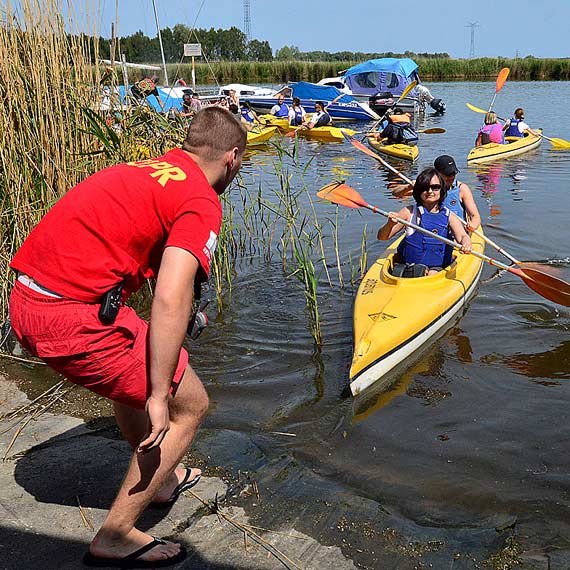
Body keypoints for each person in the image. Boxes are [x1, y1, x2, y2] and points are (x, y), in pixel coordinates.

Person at [8, 107, 246, 568]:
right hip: (65, 316)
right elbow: (171, 297)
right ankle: (115, 535)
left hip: (27, 299)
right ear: (232, 158)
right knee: (188, 403)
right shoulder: (201, 198)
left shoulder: (148, 168)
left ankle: (164, 479)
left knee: (141, 347)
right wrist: (159, 392)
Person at [378, 167, 472, 277]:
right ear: (418, 190)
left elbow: (462, 236)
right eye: (425, 188)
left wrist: (466, 243)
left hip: (438, 270)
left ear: (441, 190)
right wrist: (390, 224)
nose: (430, 191)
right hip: (411, 268)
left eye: (435, 187)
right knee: (417, 271)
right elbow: (382, 237)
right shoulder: (408, 213)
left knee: (431, 273)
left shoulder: (450, 216)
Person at [391, 155, 481, 233]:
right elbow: (396, 193)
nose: (451, 177)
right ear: (437, 173)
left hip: (456, 234)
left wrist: (473, 224)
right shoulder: (428, 189)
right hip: (431, 232)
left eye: (453, 173)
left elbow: (475, 216)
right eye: (447, 174)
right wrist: (409, 187)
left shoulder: (461, 189)